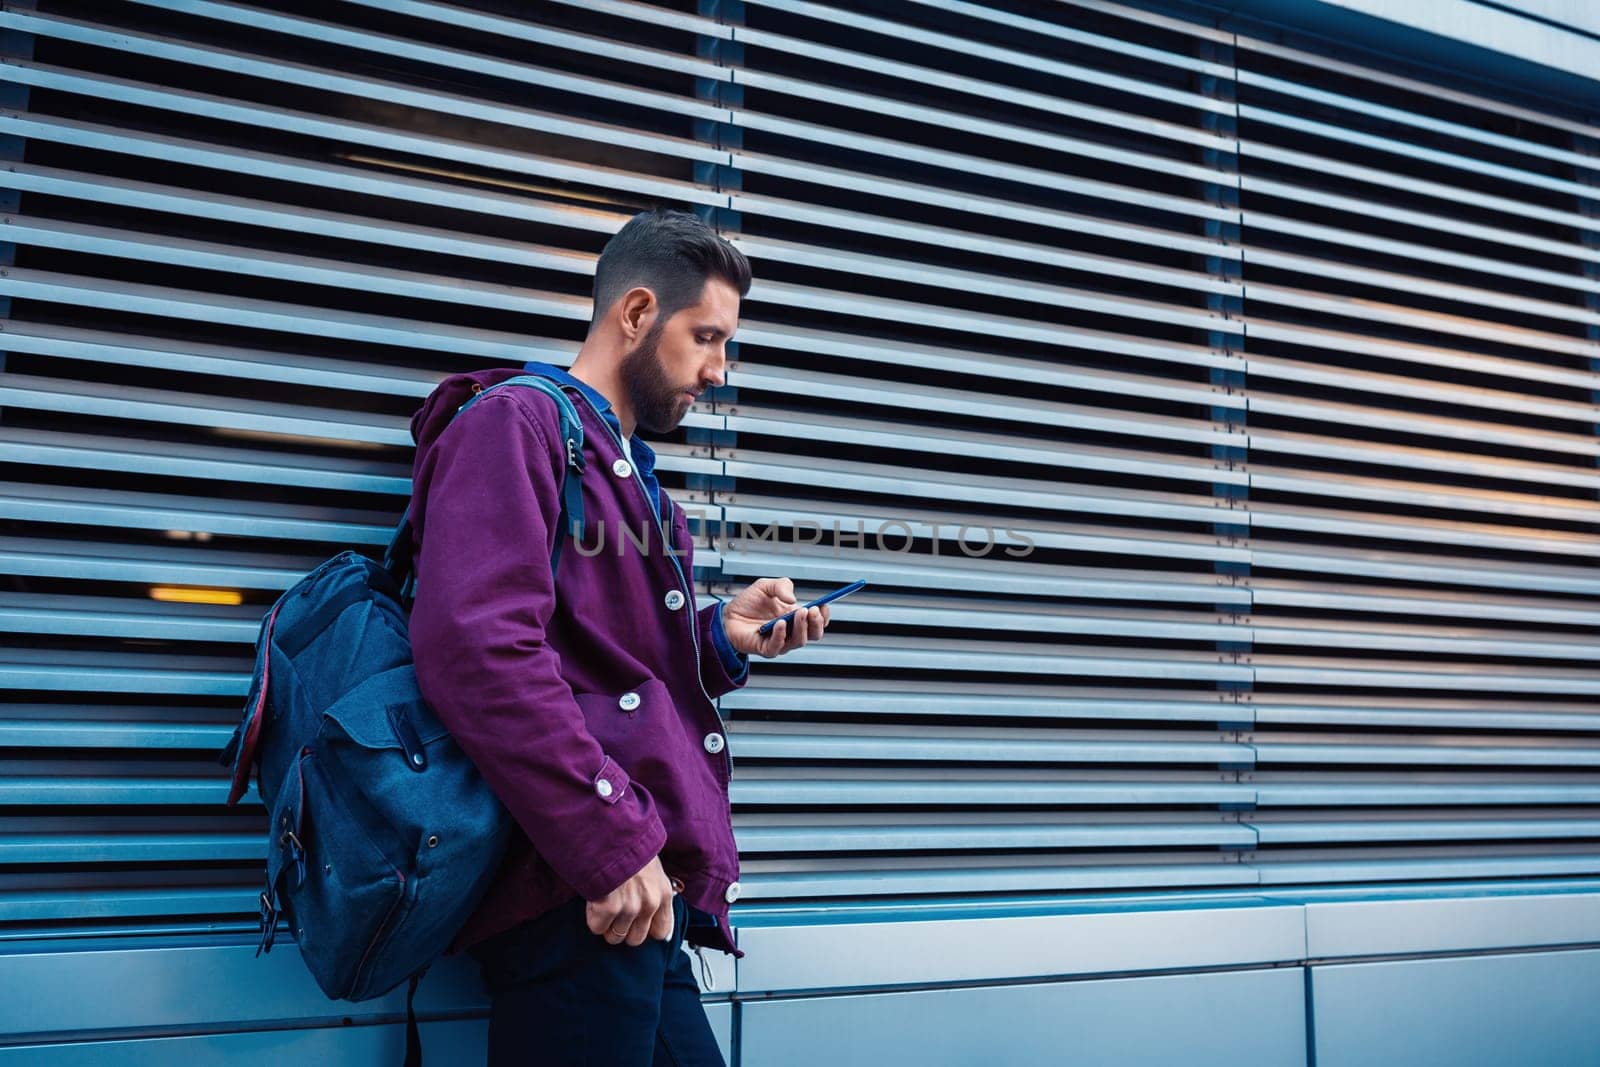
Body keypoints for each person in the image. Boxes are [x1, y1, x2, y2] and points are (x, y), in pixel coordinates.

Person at [406, 208, 830, 1066]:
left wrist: (721, 638)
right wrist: (607, 843)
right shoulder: (515, 426)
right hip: (579, 895)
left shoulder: (642, 488)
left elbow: (607, 666)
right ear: (636, 314)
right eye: (706, 336)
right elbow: (477, 649)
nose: (718, 369)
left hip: (640, 894)